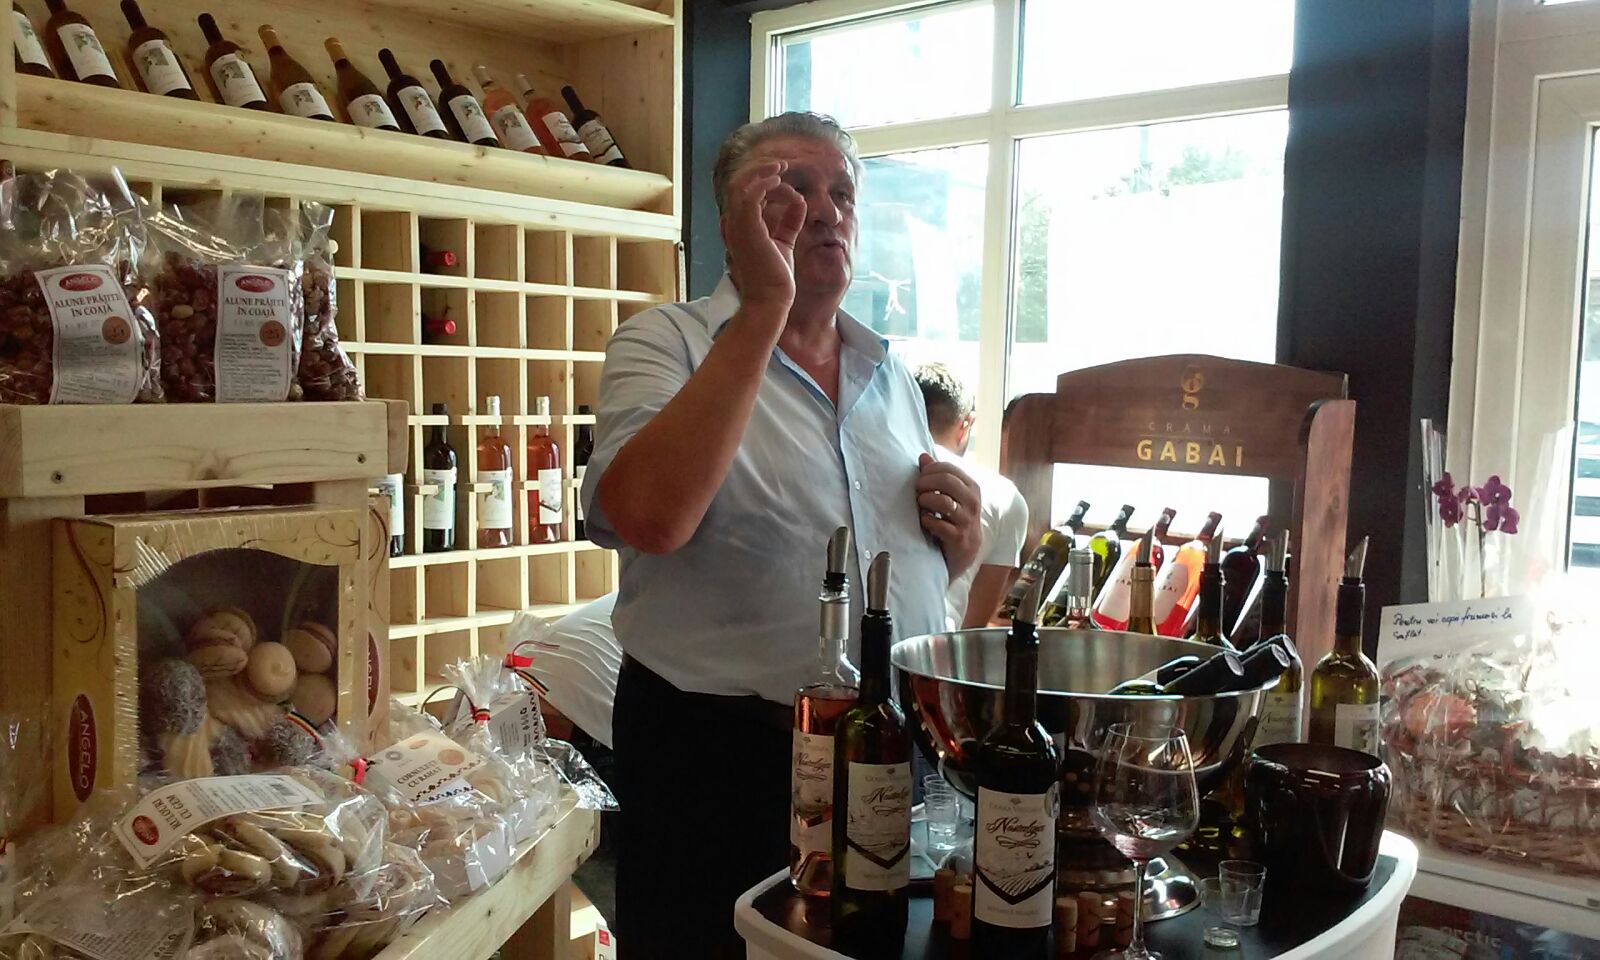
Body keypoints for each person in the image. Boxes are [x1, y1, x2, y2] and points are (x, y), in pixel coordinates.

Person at [579, 111, 982, 959]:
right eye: (791, 190)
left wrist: (957, 549)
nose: (824, 210)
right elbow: (649, 516)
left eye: (841, 193)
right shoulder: (667, 342)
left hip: (882, 749)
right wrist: (768, 306)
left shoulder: (890, 371)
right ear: (731, 225)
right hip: (716, 757)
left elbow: (871, 547)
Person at [914, 363, 1030, 629]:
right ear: (966, 424)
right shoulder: (1005, 498)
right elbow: (972, 626)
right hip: (937, 645)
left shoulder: (878, 471)